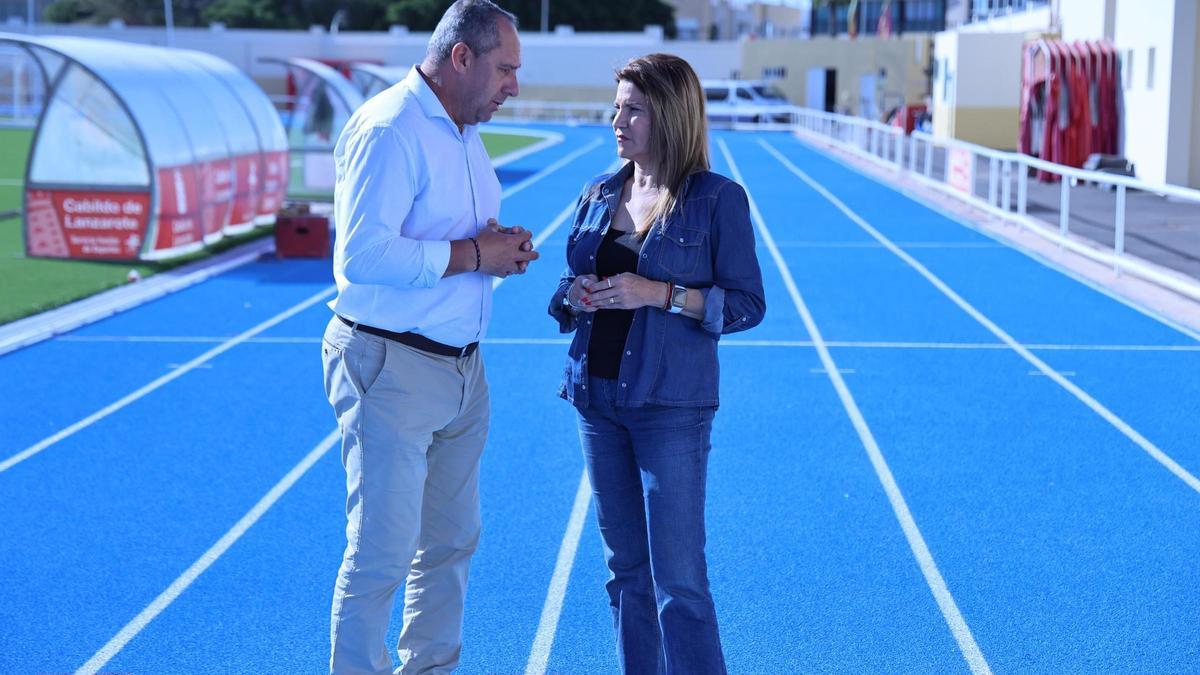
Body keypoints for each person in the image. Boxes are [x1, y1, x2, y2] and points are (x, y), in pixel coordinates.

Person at [320, 2, 535, 673]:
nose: (514, 87)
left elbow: (453, 240)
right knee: (382, 551)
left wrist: (500, 248)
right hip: (394, 367)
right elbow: (364, 254)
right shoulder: (391, 128)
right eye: (505, 69)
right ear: (460, 58)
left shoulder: (464, 131)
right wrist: (475, 254)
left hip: (462, 372)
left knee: (449, 544)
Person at [547, 54, 766, 674]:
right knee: (625, 575)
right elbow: (566, 288)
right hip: (596, 399)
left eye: (634, 108)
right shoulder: (598, 192)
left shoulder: (717, 200)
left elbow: (748, 304)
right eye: (617, 105)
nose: (618, 119)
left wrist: (660, 294)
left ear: (668, 115)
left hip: (671, 406)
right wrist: (575, 294)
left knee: (679, 581)